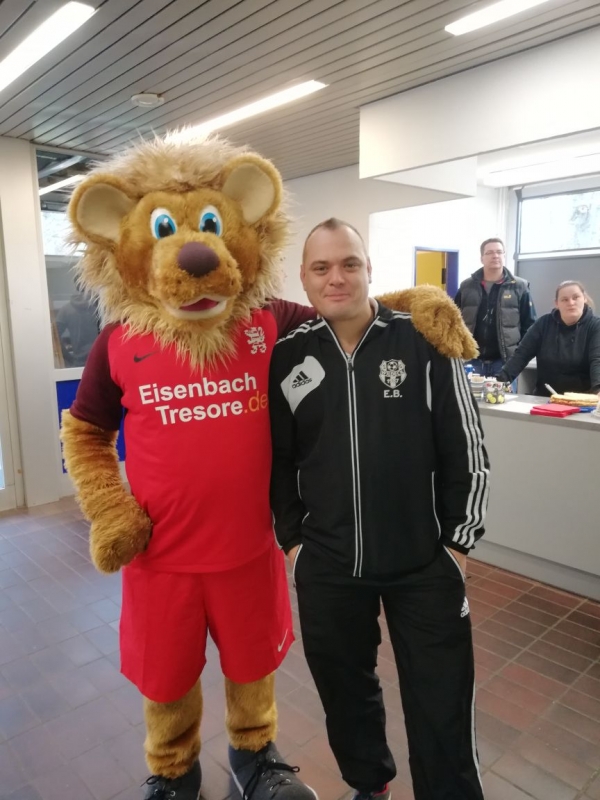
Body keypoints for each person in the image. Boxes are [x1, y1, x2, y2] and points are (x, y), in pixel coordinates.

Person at [269, 218, 490, 800]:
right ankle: (371, 785)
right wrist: (293, 544)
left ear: (369, 269)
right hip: (329, 565)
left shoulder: (422, 340)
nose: (336, 278)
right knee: (345, 693)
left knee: (442, 703)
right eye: (321, 267)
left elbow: (466, 447)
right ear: (304, 278)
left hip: (425, 564)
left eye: (349, 264)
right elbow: (279, 460)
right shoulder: (289, 356)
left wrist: (458, 545)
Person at [497, 280, 600, 396]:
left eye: (576, 297)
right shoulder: (543, 324)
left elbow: (597, 360)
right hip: (545, 398)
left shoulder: (595, 326)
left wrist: (598, 389)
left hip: (583, 399)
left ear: (584, 299)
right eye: (564, 299)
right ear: (557, 303)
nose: (571, 303)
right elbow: (521, 355)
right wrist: (499, 382)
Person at [455, 237, 536, 377]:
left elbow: (530, 326)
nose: (495, 256)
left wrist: (518, 357)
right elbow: (453, 321)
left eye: (499, 252)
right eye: (490, 252)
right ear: (482, 258)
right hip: (471, 361)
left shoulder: (519, 287)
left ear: (504, 255)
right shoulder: (466, 286)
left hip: (505, 363)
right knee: (469, 393)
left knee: (504, 393)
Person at [55, 289, 100, 366]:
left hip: (78, 361)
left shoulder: (66, 309)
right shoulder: (99, 308)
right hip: (99, 359)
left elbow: (55, 337)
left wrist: (67, 357)